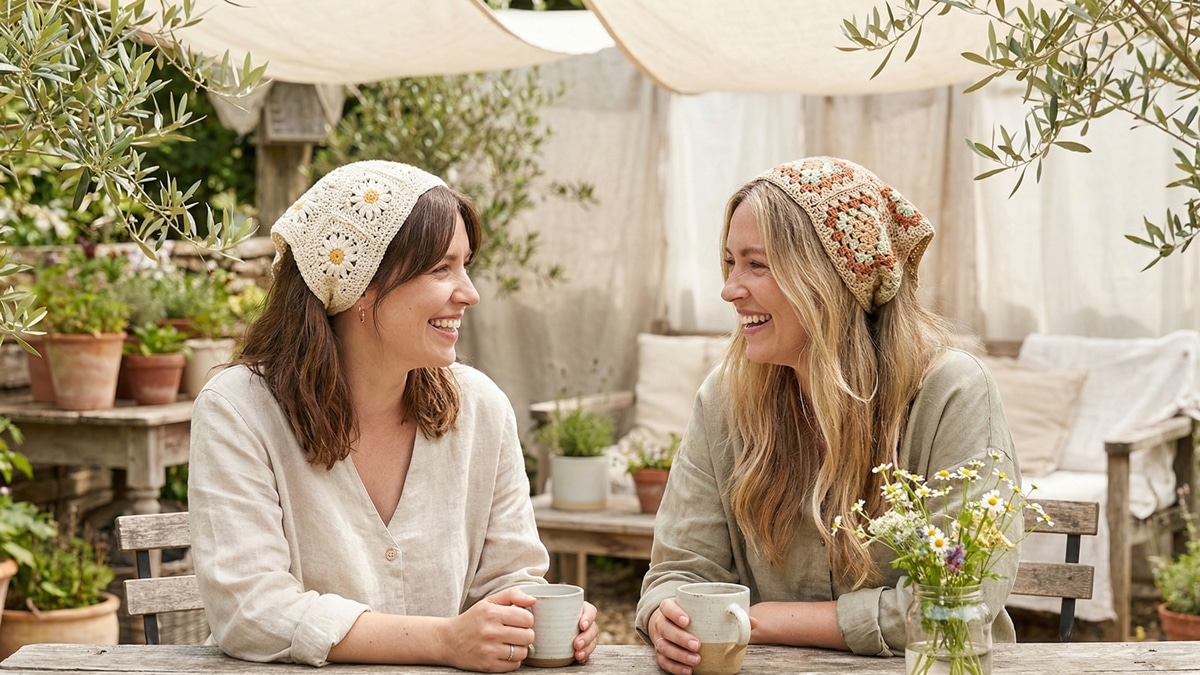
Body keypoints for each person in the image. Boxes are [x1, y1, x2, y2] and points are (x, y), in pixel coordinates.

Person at [188, 160, 599, 670]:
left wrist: (537, 619)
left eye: (465, 265)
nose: (469, 292)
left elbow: (510, 580)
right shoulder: (239, 411)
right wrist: (444, 641)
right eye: (441, 269)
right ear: (361, 284)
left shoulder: (482, 409)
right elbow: (252, 610)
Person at [635, 157, 1021, 673]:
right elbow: (679, 571)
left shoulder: (951, 393)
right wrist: (668, 614)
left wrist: (766, 618)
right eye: (730, 262)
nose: (729, 288)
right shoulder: (725, 400)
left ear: (828, 279)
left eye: (757, 264)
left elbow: (956, 602)